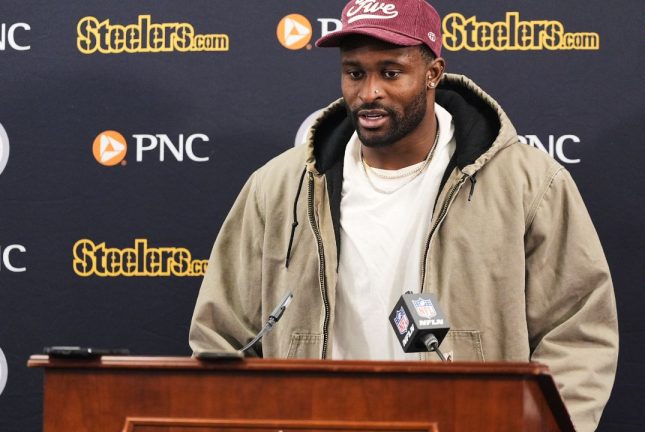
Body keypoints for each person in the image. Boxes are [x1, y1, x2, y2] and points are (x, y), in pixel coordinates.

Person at [189, 0, 618, 430]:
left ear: (433, 73)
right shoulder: (278, 186)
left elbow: (578, 330)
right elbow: (223, 336)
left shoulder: (529, 183)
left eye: (391, 73)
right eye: (355, 73)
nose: (369, 92)